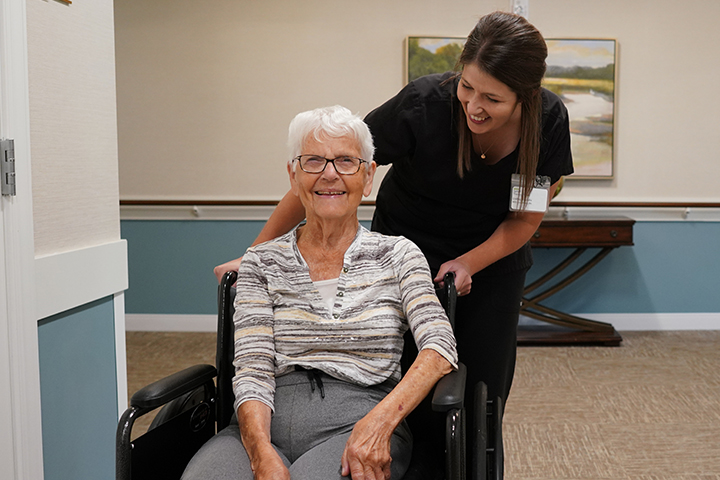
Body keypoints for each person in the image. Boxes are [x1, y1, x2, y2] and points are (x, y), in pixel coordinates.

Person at [214, 11, 573, 470]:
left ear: (526, 96)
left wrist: (467, 264)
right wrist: (256, 254)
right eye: (467, 87)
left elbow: (523, 220)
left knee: (480, 396)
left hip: (491, 259)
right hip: (400, 253)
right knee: (400, 383)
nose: (473, 106)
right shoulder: (423, 103)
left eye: (492, 98)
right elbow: (330, 173)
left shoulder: (548, 121)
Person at [184, 105, 458, 480]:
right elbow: (252, 368)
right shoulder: (261, 262)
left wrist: (379, 424)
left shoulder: (398, 254)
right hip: (266, 416)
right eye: (313, 161)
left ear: (369, 176)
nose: (330, 174)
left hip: (359, 416)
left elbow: (440, 348)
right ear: (294, 176)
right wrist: (260, 451)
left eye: (346, 161)